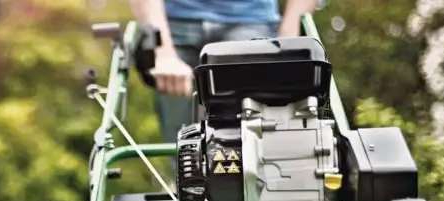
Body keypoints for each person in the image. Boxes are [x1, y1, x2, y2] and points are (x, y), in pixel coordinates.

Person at [129, 0, 318, 146]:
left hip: (251, 21)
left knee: (253, 139)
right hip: (172, 23)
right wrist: (163, 52)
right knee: (182, 145)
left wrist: (288, 37)